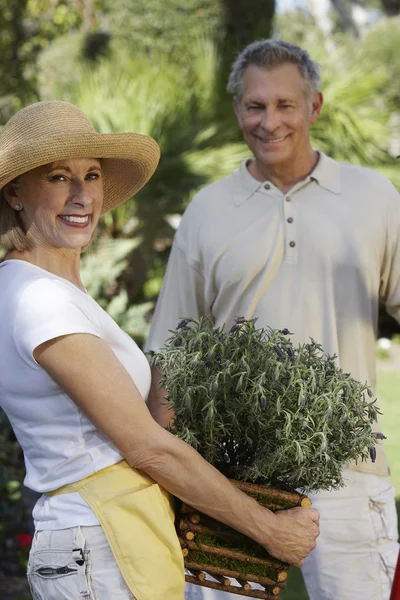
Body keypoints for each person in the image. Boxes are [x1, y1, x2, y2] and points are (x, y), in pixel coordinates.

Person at [0, 100, 319, 600]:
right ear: (16, 192)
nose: (83, 195)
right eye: (60, 177)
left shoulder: (55, 294)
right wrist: (268, 530)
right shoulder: (38, 299)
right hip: (98, 541)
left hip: (111, 538)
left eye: (92, 175)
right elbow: (145, 445)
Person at [145, 40, 400, 600]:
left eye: (285, 104)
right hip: (232, 479)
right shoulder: (208, 211)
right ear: (238, 110)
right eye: (255, 106)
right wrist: (161, 478)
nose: (270, 121)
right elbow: (170, 352)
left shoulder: (376, 197)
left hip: (351, 472)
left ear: (315, 105)